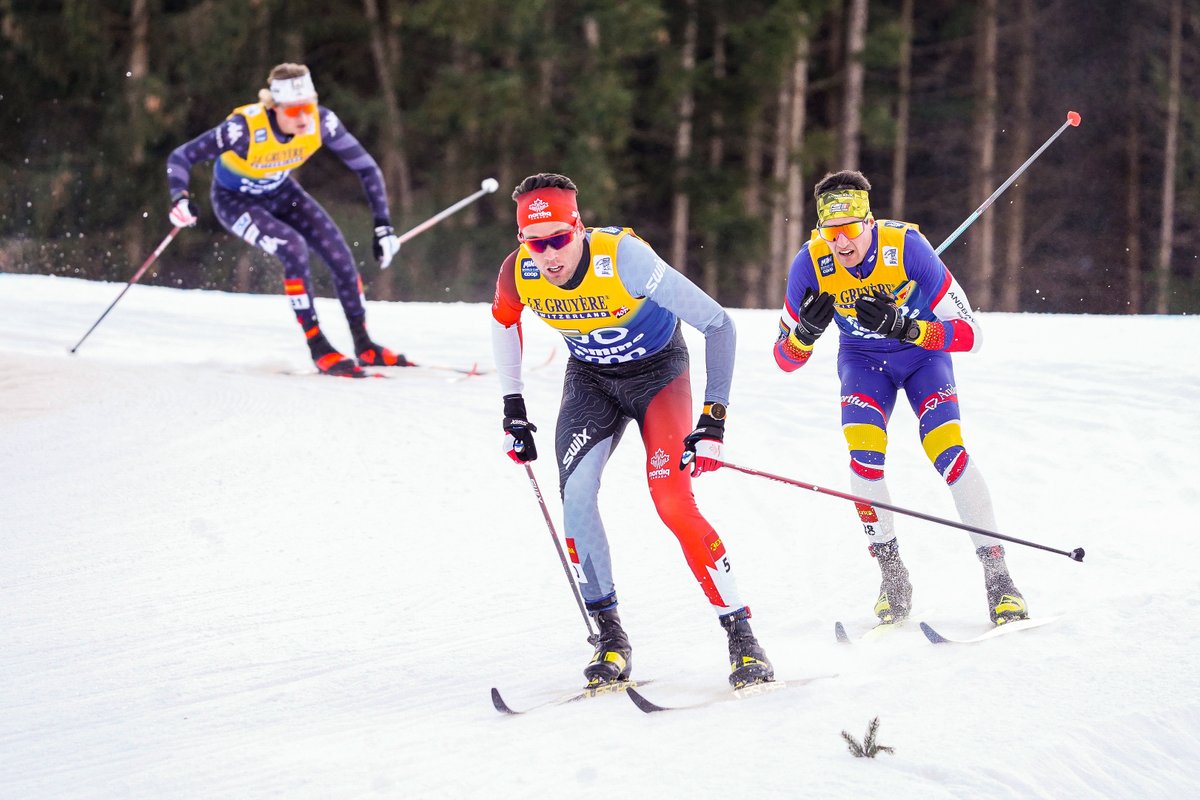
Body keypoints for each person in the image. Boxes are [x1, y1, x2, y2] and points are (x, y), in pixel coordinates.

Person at [491, 173, 773, 689]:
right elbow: (503, 322)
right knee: (575, 497)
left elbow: (718, 324)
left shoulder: (624, 258)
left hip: (659, 376)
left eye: (559, 238)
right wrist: (513, 408)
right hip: (591, 381)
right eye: (536, 243)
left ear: (579, 227)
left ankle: (742, 637)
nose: (549, 255)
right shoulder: (519, 273)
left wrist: (714, 419)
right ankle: (611, 640)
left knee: (671, 501)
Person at [773, 169, 1029, 627]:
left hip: (921, 360)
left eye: (850, 231)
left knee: (947, 450)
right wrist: (806, 334)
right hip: (862, 363)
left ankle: (999, 577)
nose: (841, 244)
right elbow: (785, 359)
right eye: (830, 233)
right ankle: (893, 578)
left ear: (869, 223)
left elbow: (972, 335)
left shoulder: (908, 250)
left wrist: (908, 328)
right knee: (864, 456)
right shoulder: (809, 265)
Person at [165, 63, 407, 378]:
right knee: (292, 248)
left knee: (340, 255)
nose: (304, 118)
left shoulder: (323, 123)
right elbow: (181, 156)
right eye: (293, 112)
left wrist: (383, 226)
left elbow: (367, 168)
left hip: (282, 193)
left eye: (308, 107)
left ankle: (365, 345)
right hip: (234, 202)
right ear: (274, 107)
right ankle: (319, 347)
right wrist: (179, 198)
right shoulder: (243, 129)